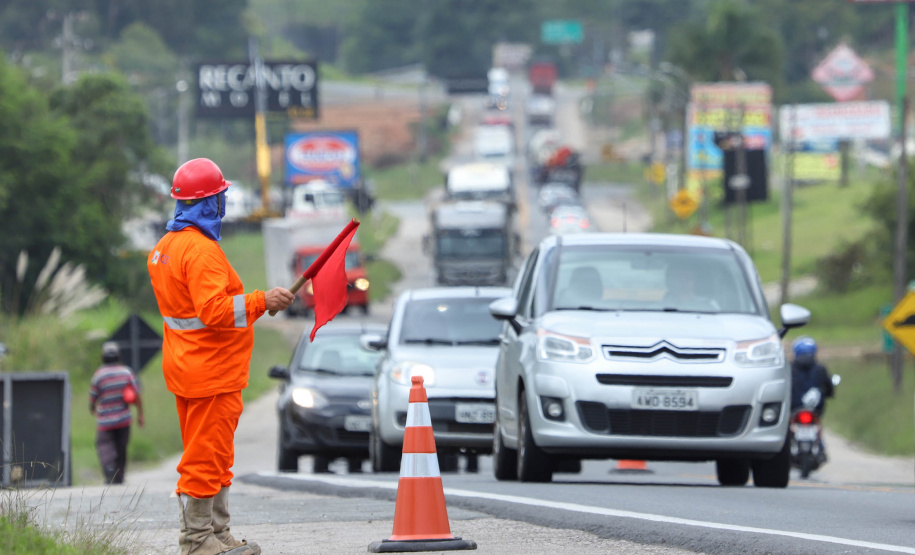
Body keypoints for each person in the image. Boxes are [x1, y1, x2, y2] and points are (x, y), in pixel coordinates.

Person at [147, 158, 294, 555]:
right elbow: (213, 311)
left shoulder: (164, 248)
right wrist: (263, 300)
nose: (224, 203)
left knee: (215, 454)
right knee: (205, 456)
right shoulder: (201, 251)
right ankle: (197, 541)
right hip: (211, 372)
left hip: (187, 369)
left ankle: (216, 532)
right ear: (209, 203)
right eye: (220, 197)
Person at [89, 341, 143, 485]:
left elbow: (93, 397)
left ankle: (109, 470)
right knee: (121, 447)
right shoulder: (126, 372)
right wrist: (140, 415)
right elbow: (136, 394)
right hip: (124, 419)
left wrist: (92, 408)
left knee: (104, 445)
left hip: (105, 420)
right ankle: (120, 475)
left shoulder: (99, 375)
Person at [790, 336, 834, 415]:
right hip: (816, 411)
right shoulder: (821, 369)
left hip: (793, 409)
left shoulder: (789, 369)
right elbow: (828, 387)